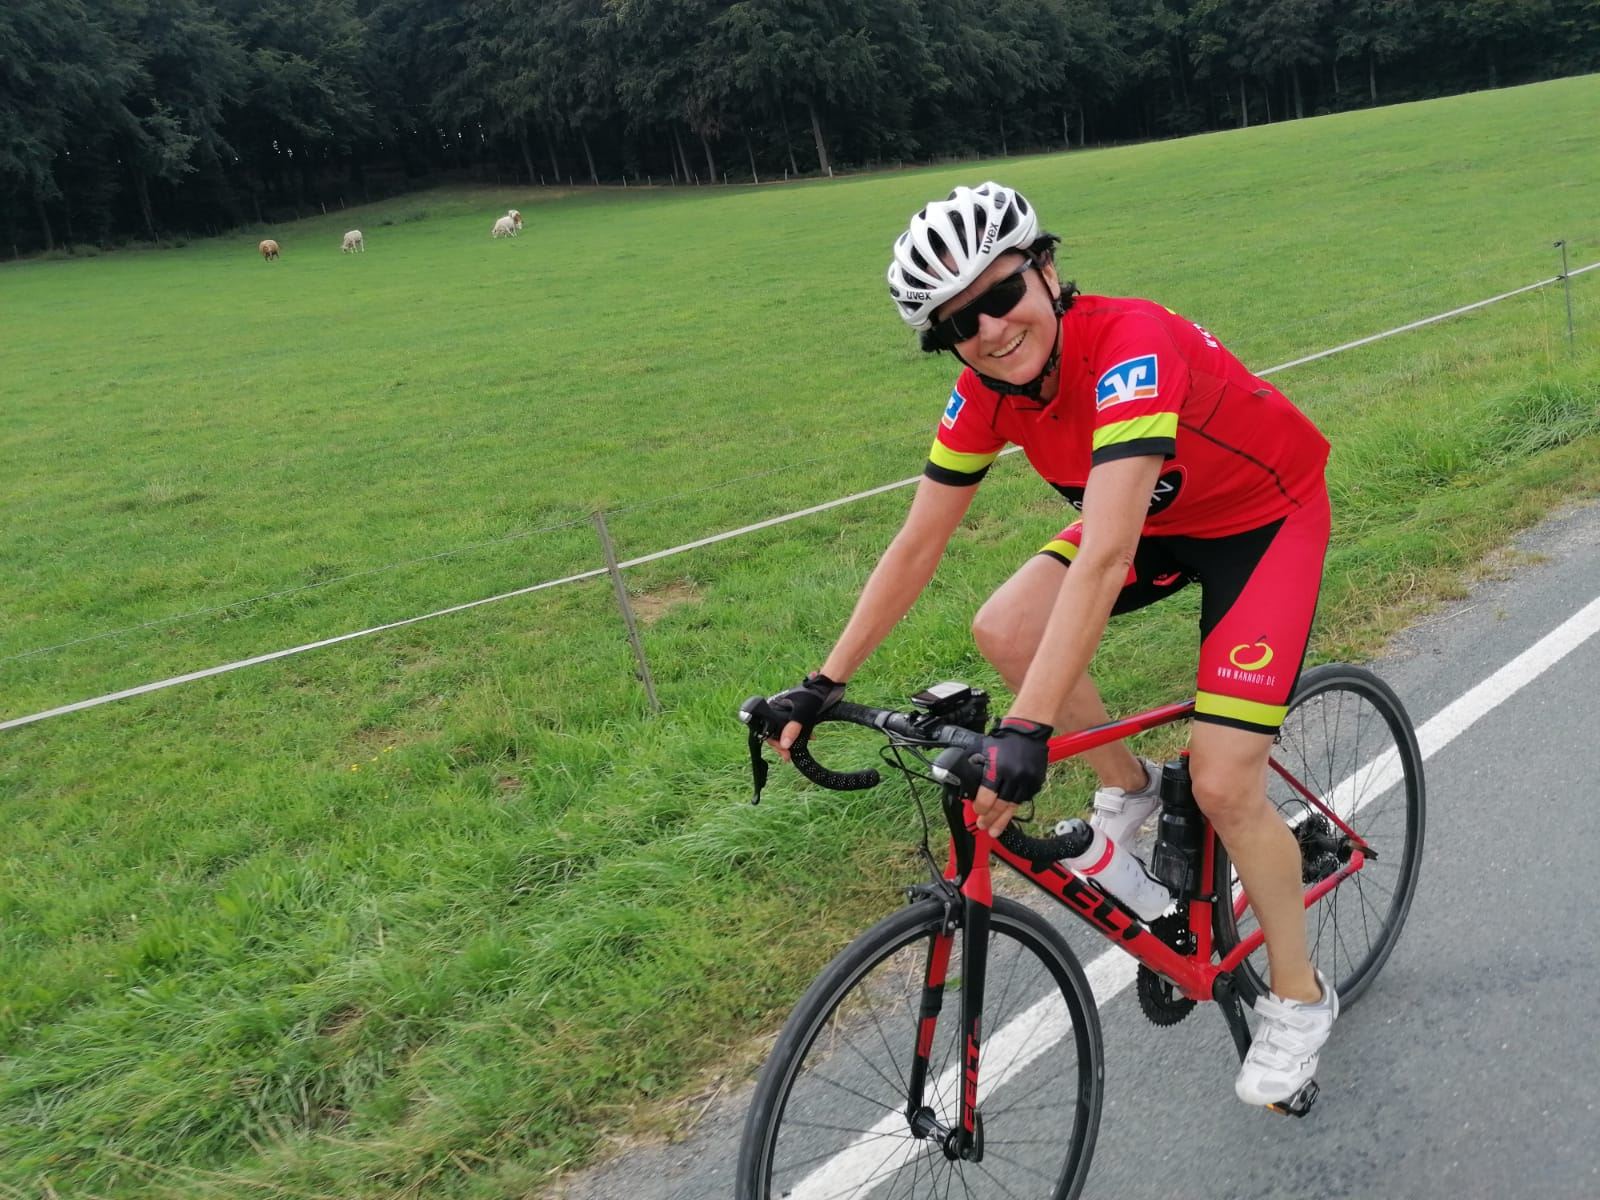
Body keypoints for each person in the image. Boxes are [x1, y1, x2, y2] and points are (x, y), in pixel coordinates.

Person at [764, 181, 1336, 1107]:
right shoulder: (985, 394)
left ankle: (1300, 998)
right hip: (1150, 520)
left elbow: (1103, 559)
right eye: (960, 323)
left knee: (1227, 783)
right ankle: (1133, 791)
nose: (992, 329)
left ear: (1048, 270)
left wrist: (1027, 727)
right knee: (1005, 624)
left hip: (1260, 522)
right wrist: (822, 682)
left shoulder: (1131, 344)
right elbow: (918, 543)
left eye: (1002, 293)